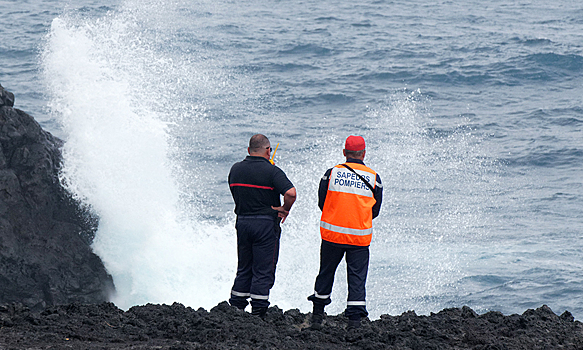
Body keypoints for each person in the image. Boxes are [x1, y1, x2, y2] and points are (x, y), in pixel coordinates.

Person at [307, 135, 383, 330]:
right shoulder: (374, 178)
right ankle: (354, 324)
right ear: (364, 154)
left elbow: (322, 203)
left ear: (344, 153)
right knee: (357, 278)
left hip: (332, 236)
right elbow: (375, 211)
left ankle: (316, 319)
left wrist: (336, 215)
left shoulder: (331, 174)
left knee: (325, 273)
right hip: (359, 238)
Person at [228, 134, 297, 318]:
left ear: (249, 150)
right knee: (263, 269)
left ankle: (236, 309)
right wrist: (284, 209)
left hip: (242, 222)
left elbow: (236, 191)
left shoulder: (235, 169)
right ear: (268, 150)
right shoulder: (272, 171)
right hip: (265, 224)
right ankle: (258, 311)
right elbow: (290, 193)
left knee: (244, 266)